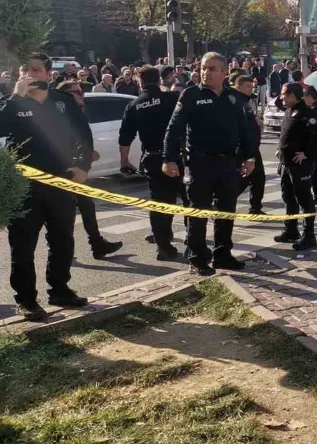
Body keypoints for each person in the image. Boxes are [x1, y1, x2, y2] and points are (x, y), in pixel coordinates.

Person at [0, 54, 91, 321]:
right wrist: (15, 97)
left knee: (63, 240)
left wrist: (83, 167)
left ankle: (60, 290)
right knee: (23, 246)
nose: (29, 73)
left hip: (61, 182)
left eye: (36, 69)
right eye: (24, 69)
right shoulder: (12, 105)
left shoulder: (63, 102)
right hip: (24, 187)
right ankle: (27, 300)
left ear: (49, 75)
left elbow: (82, 135)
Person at [163, 52, 255, 275]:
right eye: (204, 68)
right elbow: (173, 129)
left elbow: (245, 130)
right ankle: (198, 258)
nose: (206, 72)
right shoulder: (191, 95)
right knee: (198, 212)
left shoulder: (233, 97)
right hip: (200, 164)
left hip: (228, 164)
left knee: (226, 211)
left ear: (225, 73)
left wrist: (249, 157)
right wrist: (168, 159)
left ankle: (223, 254)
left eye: (212, 69)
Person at [118, 66, 184, 260]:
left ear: (141, 82)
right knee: (188, 199)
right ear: (160, 80)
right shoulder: (172, 99)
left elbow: (125, 137)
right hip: (177, 157)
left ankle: (163, 245)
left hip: (152, 158)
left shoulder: (135, 105)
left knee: (159, 202)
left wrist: (124, 160)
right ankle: (193, 241)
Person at [56, 80, 125, 259]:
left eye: (81, 92)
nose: (81, 95)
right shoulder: (59, 113)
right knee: (60, 213)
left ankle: (96, 244)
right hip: (61, 171)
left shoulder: (78, 112)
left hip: (76, 170)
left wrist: (87, 153)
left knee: (86, 206)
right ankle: (60, 250)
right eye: (76, 92)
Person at [273, 82, 317, 251]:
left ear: (293, 95)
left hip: (300, 166)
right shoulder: (289, 111)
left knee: (305, 199)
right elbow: (286, 133)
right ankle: (291, 230)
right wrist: (280, 149)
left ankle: (309, 235)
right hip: (286, 164)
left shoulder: (306, 113)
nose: (281, 97)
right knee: (288, 197)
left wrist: (306, 153)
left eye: (284, 94)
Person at [233, 75, 267, 215]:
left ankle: (255, 207)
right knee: (244, 178)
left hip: (252, 146)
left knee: (258, 178)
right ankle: (221, 202)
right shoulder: (235, 101)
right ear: (238, 86)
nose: (250, 89)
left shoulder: (246, 101)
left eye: (251, 86)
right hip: (243, 148)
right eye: (247, 86)